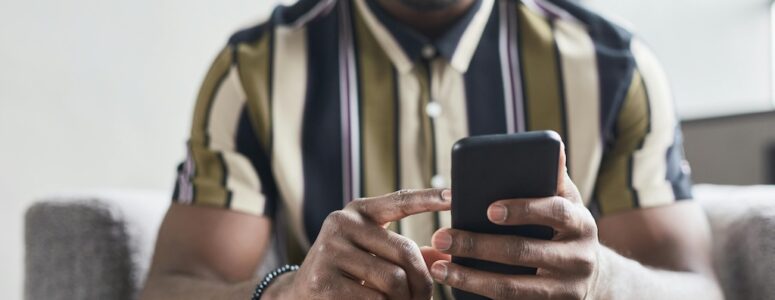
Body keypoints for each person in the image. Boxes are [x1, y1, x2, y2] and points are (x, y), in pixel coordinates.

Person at [140, 0, 723, 299]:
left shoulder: (614, 67)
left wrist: (601, 282)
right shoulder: (253, 71)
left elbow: (700, 291)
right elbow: (171, 286)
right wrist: (291, 292)